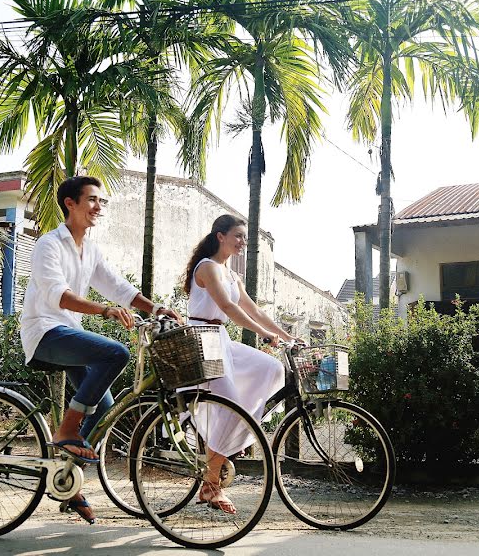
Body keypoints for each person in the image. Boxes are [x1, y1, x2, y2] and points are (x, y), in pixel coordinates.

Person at [20, 176, 183, 524]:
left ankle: (66, 481)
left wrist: (155, 309)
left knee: (104, 410)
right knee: (115, 353)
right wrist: (105, 310)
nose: (98, 208)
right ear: (70, 204)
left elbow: (117, 286)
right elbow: (58, 296)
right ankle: (65, 431)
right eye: (92, 200)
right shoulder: (49, 244)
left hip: (68, 333)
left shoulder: (90, 250)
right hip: (45, 332)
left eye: (101, 202)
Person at [183, 214, 293, 514]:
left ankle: (224, 451)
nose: (243, 242)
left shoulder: (232, 275)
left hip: (220, 340)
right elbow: (228, 307)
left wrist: (286, 336)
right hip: (202, 339)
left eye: (245, 237)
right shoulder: (207, 267)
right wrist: (264, 335)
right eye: (238, 236)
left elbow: (253, 309)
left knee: (272, 369)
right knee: (233, 406)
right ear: (221, 236)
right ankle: (211, 483)